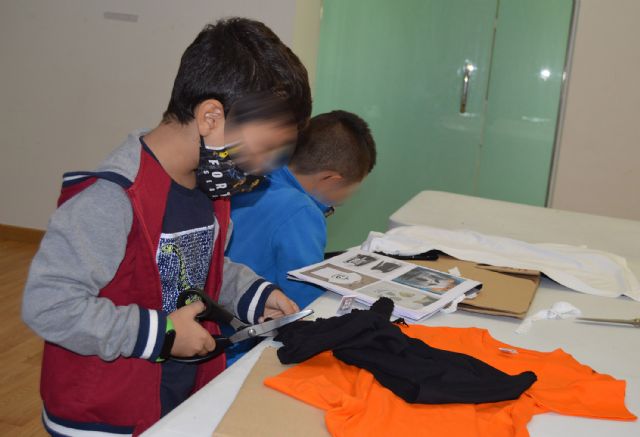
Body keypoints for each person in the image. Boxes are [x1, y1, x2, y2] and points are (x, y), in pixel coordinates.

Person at [21, 17, 311, 436]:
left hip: (174, 398)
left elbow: (195, 268)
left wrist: (251, 293)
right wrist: (162, 334)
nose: (265, 168)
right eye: (263, 149)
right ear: (211, 117)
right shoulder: (112, 198)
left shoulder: (210, 189)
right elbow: (49, 306)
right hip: (104, 416)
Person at [224, 111, 376, 364]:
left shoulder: (254, 176)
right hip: (243, 348)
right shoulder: (301, 212)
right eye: (348, 192)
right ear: (331, 179)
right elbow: (306, 301)